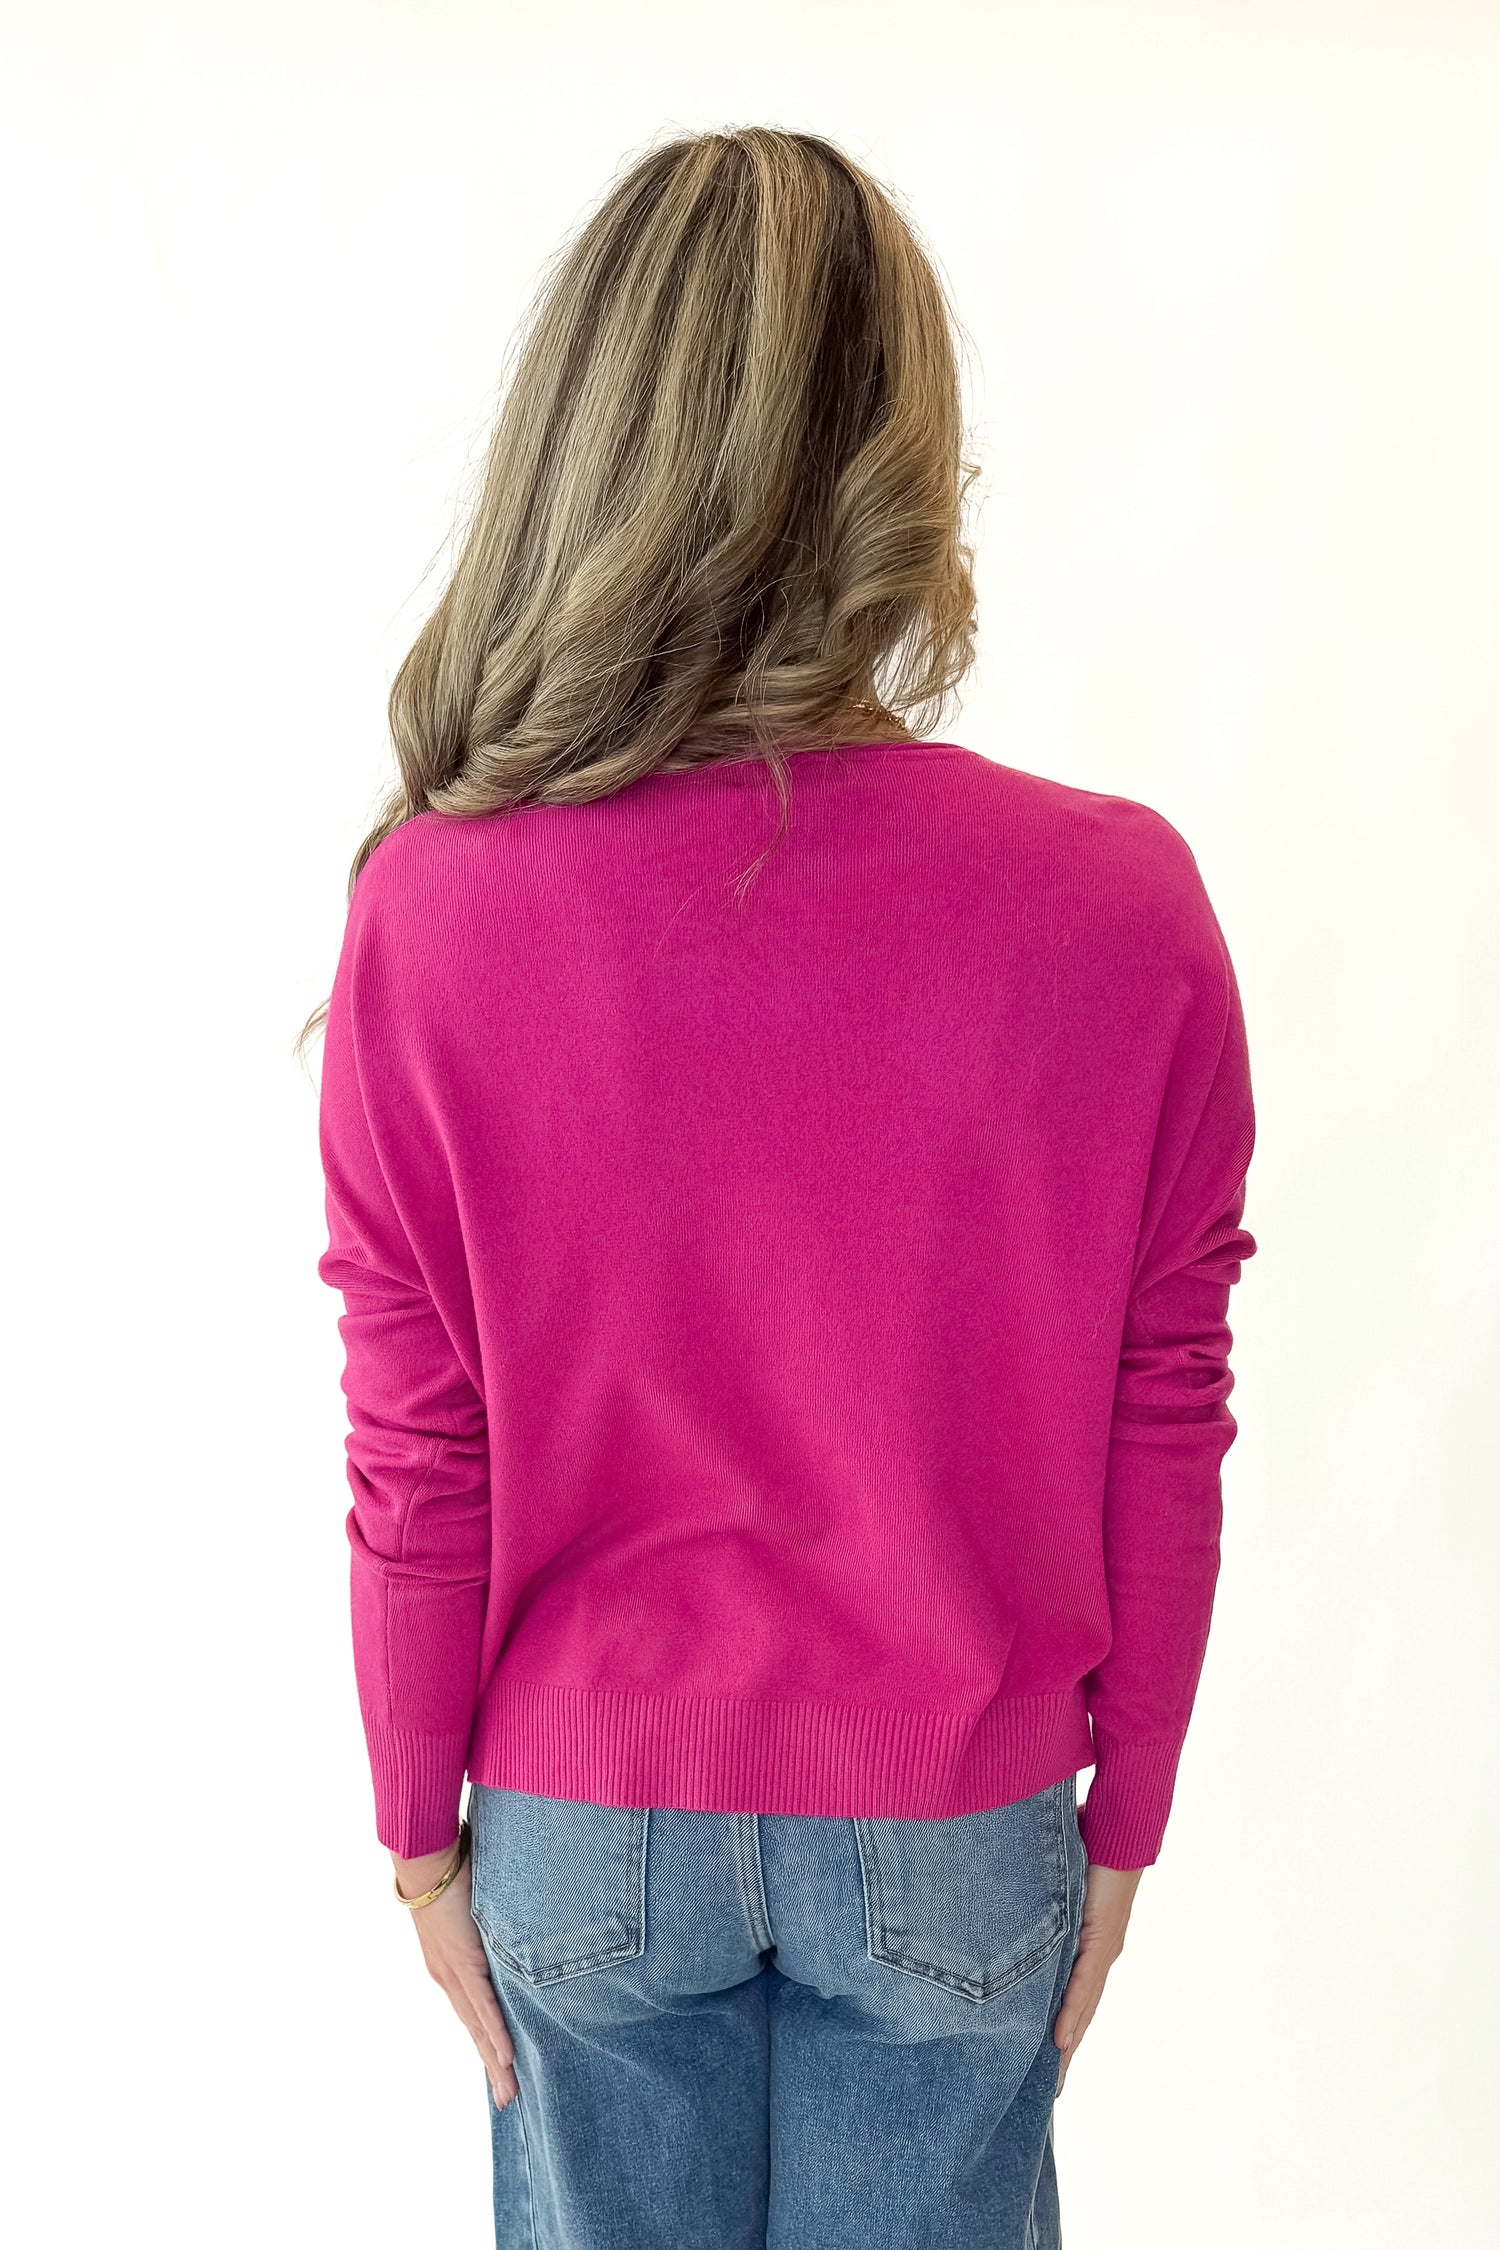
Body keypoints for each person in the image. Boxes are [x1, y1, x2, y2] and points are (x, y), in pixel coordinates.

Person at [310, 125, 1256, 2250]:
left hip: (579, 1808)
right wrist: (1134, 1817)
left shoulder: (434, 916)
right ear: (904, 466)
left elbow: (420, 1435)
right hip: (960, 1804)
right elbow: (1162, 1396)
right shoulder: (1122, 907)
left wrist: (415, 1828)